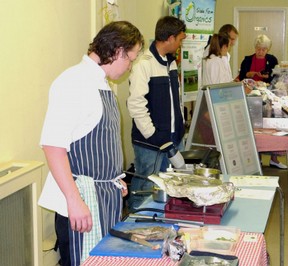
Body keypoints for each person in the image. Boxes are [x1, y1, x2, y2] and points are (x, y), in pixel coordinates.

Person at [38, 21, 144, 265]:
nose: (130, 66)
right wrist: (74, 201)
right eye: (130, 58)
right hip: (81, 201)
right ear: (117, 51)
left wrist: (113, 178)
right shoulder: (74, 83)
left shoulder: (100, 82)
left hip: (103, 195)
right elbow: (53, 147)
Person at [127, 16, 186, 210]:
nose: (181, 43)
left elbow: (174, 100)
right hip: (150, 143)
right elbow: (136, 104)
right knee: (145, 188)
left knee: (167, 188)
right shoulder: (143, 63)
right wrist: (154, 136)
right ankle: (135, 224)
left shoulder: (171, 62)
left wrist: (179, 129)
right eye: (180, 39)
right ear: (170, 38)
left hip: (171, 138)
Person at [236, 34, 285, 169]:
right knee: (255, 127)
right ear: (255, 47)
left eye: (263, 49)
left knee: (270, 127)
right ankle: (256, 158)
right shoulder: (247, 60)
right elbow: (242, 76)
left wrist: (267, 77)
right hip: (252, 96)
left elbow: (276, 78)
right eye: (258, 49)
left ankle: (274, 158)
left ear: (267, 49)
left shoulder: (272, 60)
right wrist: (249, 74)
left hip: (267, 95)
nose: (261, 52)